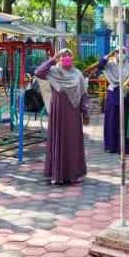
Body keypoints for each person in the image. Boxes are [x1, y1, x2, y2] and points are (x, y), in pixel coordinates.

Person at [35, 50, 88, 185]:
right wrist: (52, 60)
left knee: (72, 141)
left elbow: (83, 94)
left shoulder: (77, 74)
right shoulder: (53, 71)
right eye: (63, 56)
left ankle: (73, 174)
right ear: (58, 58)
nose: (66, 58)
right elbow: (38, 72)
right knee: (59, 138)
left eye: (68, 55)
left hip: (73, 112)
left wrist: (85, 112)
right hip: (59, 110)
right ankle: (57, 174)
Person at [97, 48, 129, 154]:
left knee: (125, 120)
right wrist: (110, 54)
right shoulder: (110, 64)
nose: (120, 54)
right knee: (112, 120)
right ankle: (111, 145)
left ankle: (124, 146)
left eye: (123, 52)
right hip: (113, 93)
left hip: (126, 94)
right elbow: (100, 65)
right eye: (118, 52)